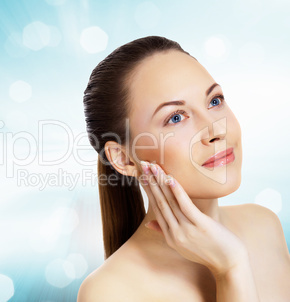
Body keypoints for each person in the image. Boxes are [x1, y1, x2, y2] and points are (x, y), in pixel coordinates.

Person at [77, 36, 290, 301]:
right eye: (175, 118)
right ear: (124, 159)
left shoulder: (263, 225)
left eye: (214, 101)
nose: (216, 129)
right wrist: (231, 267)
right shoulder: (110, 291)